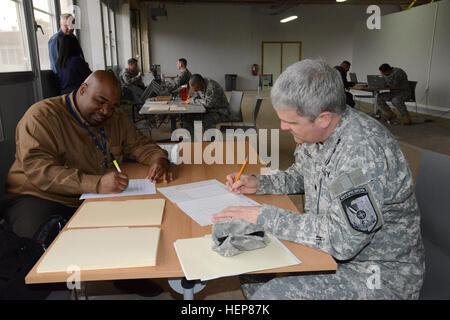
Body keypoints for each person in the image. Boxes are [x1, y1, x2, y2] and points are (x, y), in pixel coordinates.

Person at [211, 59, 425, 300]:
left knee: (271, 295)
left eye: (290, 122)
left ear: (323, 118)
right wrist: (260, 183)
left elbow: (344, 240)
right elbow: (300, 175)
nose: (282, 127)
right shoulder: (316, 135)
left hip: (376, 273)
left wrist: (264, 217)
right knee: (250, 266)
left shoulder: (362, 153)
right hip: (329, 248)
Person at [3, 70, 172, 239]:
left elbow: (140, 144)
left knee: (137, 229)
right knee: (42, 247)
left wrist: (159, 160)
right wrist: (96, 184)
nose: (106, 111)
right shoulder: (42, 117)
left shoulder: (115, 118)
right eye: (100, 102)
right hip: (41, 196)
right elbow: (41, 171)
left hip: (91, 194)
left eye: (112, 106)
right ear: (83, 89)